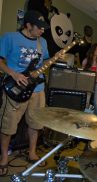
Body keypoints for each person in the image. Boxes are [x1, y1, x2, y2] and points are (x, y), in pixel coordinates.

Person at [0, 10, 63, 176]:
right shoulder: (10, 37)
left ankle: (32, 152)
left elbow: (45, 62)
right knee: (8, 125)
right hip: (15, 87)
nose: (42, 31)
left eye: (44, 28)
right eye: (39, 27)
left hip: (37, 89)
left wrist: (55, 57)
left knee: (35, 124)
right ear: (28, 25)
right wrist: (13, 73)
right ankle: (4, 158)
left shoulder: (42, 42)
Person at [82, 43, 97, 115]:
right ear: (93, 50)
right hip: (88, 84)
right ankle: (84, 119)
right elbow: (82, 73)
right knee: (86, 102)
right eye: (96, 49)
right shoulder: (86, 61)